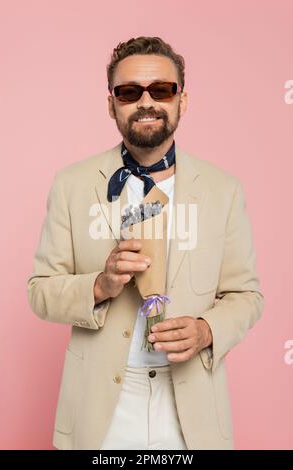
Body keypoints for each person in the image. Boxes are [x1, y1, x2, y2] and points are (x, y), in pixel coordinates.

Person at [26, 36, 264, 450]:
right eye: (129, 92)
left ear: (181, 101)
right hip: (102, 410)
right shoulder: (71, 185)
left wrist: (207, 330)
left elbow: (246, 295)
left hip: (191, 407)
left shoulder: (224, 190)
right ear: (111, 104)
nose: (146, 102)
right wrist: (100, 286)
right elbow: (40, 291)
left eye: (162, 90)